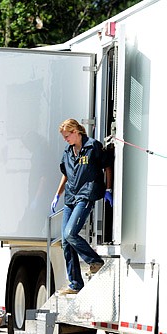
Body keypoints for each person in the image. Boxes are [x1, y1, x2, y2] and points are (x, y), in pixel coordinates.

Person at [50, 118, 113, 295]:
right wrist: (57, 194)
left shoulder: (93, 146)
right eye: (64, 137)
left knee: (71, 233)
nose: (65, 139)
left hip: (86, 195)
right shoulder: (68, 151)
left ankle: (95, 261)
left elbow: (107, 166)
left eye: (67, 135)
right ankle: (75, 283)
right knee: (65, 240)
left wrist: (108, 188)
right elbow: (66, 174)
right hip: (70, 196)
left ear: (77, 131)